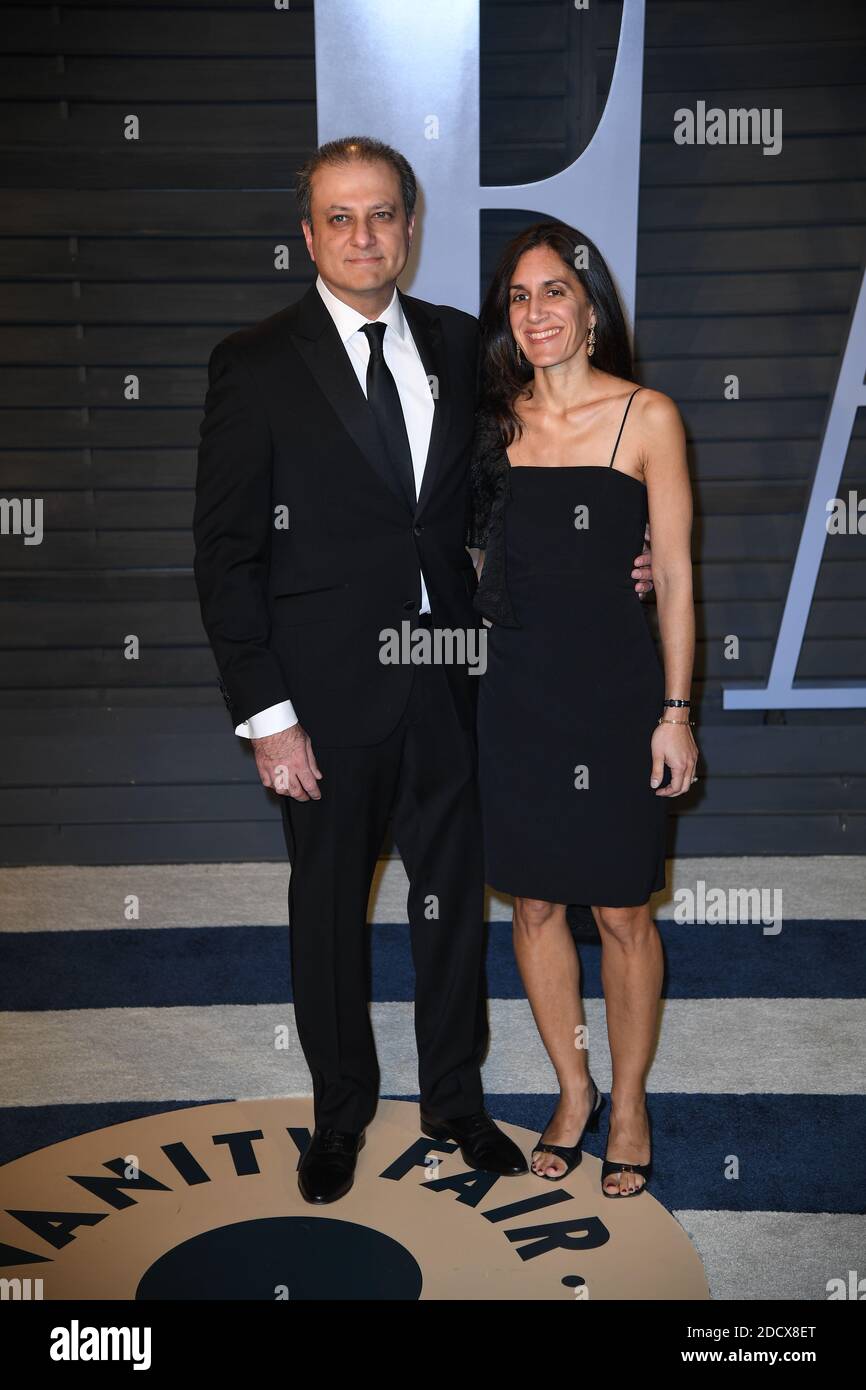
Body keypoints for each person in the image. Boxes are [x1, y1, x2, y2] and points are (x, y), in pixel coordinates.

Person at [193, 137, 654, 1205]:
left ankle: (454, 1099)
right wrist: (267, 715)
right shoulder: (253, 362)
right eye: (340, 218)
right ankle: (339, 1113)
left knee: (451, 908)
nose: (363, 236)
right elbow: (225, 554)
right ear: (308, 235)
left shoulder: (457, 345)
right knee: (327, 914)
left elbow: (504, 500)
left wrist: (609, 554)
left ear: (409, 226)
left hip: (453, 681)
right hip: (319, 701)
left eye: (382, 215)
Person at [468, 221, 698, 1197]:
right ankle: (572, 1086)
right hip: (512, 695)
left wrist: (675, 712)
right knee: (531, 903)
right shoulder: (490, 424)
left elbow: (678, 579)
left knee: (618, 908)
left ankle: (631, 1098)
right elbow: (465, 560)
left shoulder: (645, 416)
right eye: (518, 297)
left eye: (553, 291)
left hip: (612, 693)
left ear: (591, 309)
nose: (536, 313)